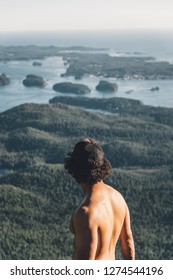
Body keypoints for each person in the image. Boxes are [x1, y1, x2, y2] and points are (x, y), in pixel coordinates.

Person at [64, 138, 135, 260]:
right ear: (103, 165)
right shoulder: (118, 197)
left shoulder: (86, 212)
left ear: (74, 168)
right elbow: (127, 242)